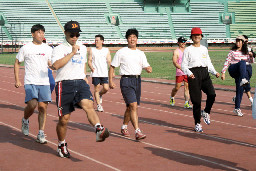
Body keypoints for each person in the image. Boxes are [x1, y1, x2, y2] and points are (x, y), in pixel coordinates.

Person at [51, 21, 109, 158]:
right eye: (72, 34)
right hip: (64, 84)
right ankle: (61, 143)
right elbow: (55, 65)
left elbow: (83, 64)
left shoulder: (83, 48)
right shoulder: (58, 49)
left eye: (77, 34)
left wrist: (84, 76)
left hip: (80, 82)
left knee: (88, 105)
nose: (75, 37)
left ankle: (98, 128)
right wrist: (71, 53)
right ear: (65, 33)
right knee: (64, 119)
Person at [109, 28, 152, 140]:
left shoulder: (140, 53)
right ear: (127, 39)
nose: (132, 39)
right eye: (130, 37)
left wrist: (148, 68)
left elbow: (146, 65)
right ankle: (137, 131)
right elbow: (112, 66)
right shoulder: (121, 52)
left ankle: (124, 126)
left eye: (134, 37)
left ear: (137, 39)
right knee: (133, 105)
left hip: (137, 80)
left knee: (130, 107)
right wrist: (110, 81)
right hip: (126, 80)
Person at [14, 24, 52, 144]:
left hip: (44, 82)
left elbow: (51, 62)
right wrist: (17, 79)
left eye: (43, 33)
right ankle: (25, 120)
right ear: (33, 34)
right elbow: (17, 63)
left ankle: (41, 133)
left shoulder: (48, 49)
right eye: (39, 32)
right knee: (32, 104)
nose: (42, 35)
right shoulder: (26, 48)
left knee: (43, 107)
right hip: (30, 81)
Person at [181, 27, 220, 132]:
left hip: (204, 73)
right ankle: (197, 123)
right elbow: (183, 65)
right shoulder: (188, 50)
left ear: (201, 36)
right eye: (194, 35)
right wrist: (189, 73)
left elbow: (208, 63)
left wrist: (214, 72)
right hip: (193, 75)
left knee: (212, 94)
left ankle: (206, 111)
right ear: (192, 37)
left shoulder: (204, 49)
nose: (197, 37)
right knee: (197, 101)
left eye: (198, 35)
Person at [221, 35, 254, 117]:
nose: (238, 43)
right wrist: (223, 72)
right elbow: (227, 62)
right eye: (237, 41)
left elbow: (251, 61)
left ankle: (237, 108)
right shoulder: (232, 52)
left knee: (240, 88)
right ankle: (244, 81)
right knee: (242, 62)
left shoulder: (246, 52)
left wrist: (251, 55)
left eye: (239, 41)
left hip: (241, 72)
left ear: (243, 43)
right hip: (233, 69)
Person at [88, 34, 111, 112]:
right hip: (96, 73)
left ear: (102, 41)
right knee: (96, 88)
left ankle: (100, 95)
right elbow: (89, 60)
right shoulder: (92, 50)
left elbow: (109, 61)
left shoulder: (106, 50)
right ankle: (99, 105)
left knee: (106, 88)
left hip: (104, 72)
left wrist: (112, 70)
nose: (96, 42)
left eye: (97, 40)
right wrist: (91, 67)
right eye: (95, 40)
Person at [231, 35, 254, 105]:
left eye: (247, 41)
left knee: (244, 84)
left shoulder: (249, 49)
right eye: (245, 41)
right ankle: (252, 102)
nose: (246, 43)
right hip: (241, 68)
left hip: (249, 68)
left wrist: (252, 55)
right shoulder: (237, 50)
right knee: (245, 84)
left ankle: (237, 97)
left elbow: (253, 57)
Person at [170, 37, 192, 109]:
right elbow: (174, 62)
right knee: (177, 88)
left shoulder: (187, 50)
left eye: (184, 41)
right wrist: (182, 68)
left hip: (187, 72)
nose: (183, 43)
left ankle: (186, 103)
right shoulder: (176, 51)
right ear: (178, 43)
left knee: (187, 87)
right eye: (182, 41)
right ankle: (172, 97)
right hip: (180, 72)